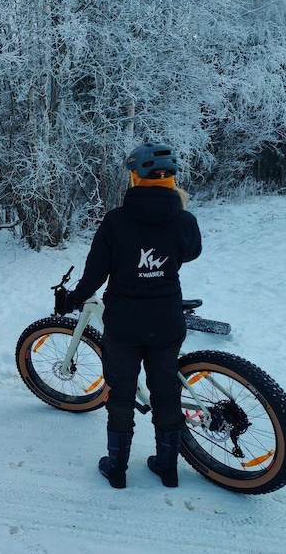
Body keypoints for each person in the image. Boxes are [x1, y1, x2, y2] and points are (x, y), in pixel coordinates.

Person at [60, 143, 201, 488]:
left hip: (124, 323)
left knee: (120, 394)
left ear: (136, 176)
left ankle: (117, 468)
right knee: (166, 392)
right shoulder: (185, 220)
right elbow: (192, 252)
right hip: (167, 319)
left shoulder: (116, 220)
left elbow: (95, 273)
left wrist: (72, 299)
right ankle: (168, 468)